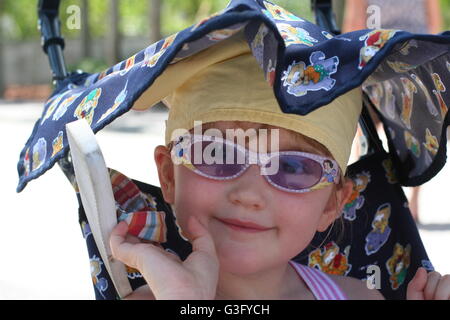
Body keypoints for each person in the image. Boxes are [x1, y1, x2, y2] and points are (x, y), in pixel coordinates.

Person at [105, 30, 450, 299]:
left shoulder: (359, 296)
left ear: (332, 203)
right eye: (218, 155)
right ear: (169, 175)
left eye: (295, 168)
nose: (249, 195)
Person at [342, 0, 444, 223]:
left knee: (366, 134)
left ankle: (367, 196)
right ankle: (411, 203)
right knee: (418, 136)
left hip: (379, 63)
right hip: (411, 65)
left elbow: (353, 26)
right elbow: (435, 26)